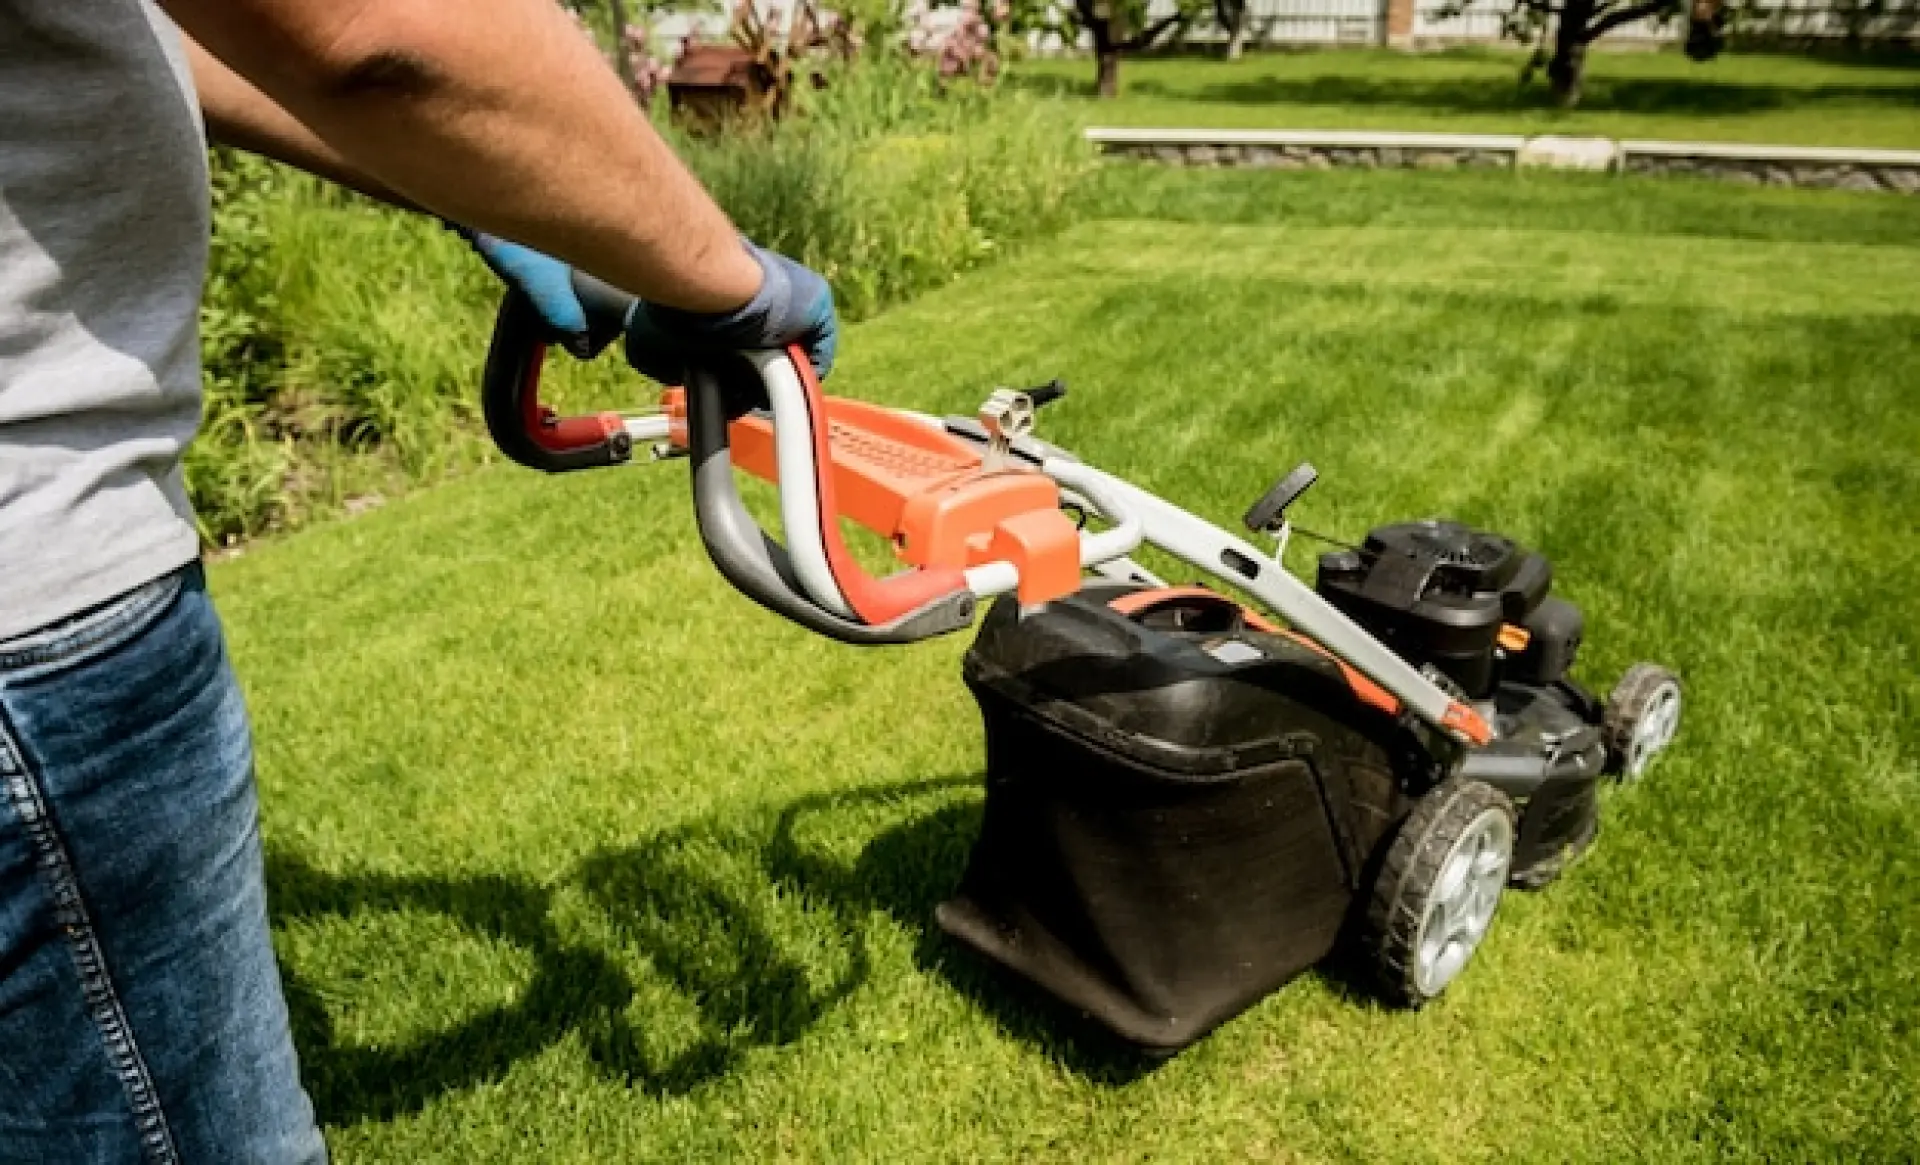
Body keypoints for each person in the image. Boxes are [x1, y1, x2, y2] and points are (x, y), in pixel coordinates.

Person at [0, 1, 837, 1161]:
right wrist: (727, 281)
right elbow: (377, 27)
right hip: (38, 636)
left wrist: (480, 181)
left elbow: (150, 30)